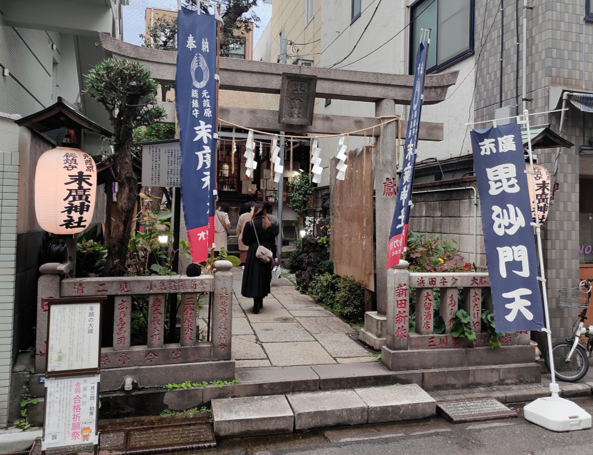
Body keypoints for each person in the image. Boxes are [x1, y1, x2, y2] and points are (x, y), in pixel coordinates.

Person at [241, 203, 278, 314]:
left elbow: (245, 240)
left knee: (254, 276)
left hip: (254, 251)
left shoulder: (250, 224)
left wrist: (253, 243)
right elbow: (273, 242)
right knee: (264, 276)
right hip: (265, 251)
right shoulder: (268, 224)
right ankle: (260, 299)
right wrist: (275, 256)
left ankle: (255, 301)